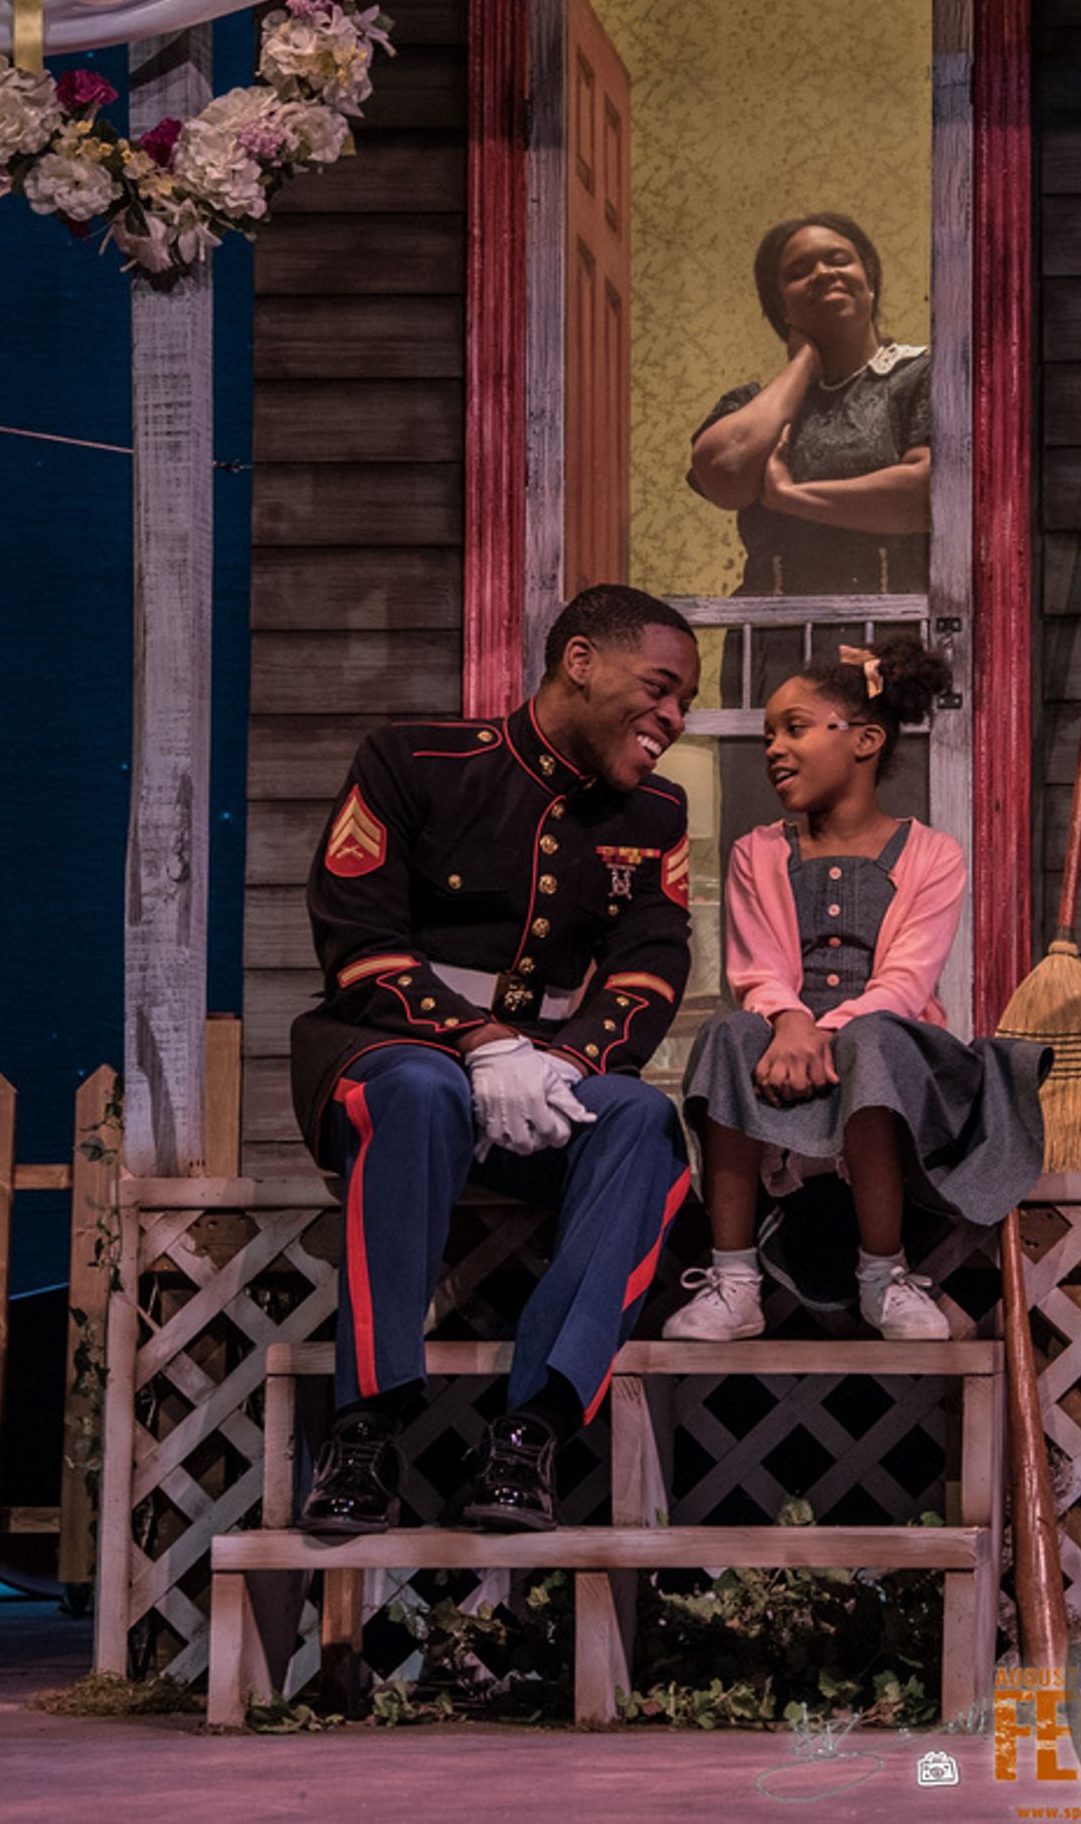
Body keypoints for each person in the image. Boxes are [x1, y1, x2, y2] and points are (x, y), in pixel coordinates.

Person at [290, 584, 701, 1535]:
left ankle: (532, 1431)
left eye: (683, 703)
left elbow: (649, 963)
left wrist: (571, 1061)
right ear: (580, 662)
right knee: (423, 1090)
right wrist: (479, 1041)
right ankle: (364, 1431)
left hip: (544, 1078)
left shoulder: (656, 815)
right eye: (660, 689)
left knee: (642, 1120)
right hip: (388, 1053)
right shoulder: (413, 762)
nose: (675, 719)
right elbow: (359, 944)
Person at [663, 636, 1047, 1344]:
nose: (775, 749)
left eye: (795, 728)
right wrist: (789, 1023)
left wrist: (823, 1033)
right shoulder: (758, 852)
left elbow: (904, 982)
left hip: (893, 1057)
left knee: (870, 1039)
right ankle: (734, 1280)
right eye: (769, 735)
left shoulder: (933, 854)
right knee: (727, 1032)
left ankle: (883, 1272)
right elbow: (757, 968)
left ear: (865, 740)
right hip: (784, 1046)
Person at [687, 211, 931, 709]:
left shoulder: (918, 376)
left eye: (838, 259)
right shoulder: (753, 403)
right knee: (772, 761)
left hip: (886, 645)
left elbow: (922, 496)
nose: (822, 273)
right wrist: (803, 364)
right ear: (779, 306)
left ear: (869, 279)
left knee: (874, 755)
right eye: (798, 272)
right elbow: (725, 475)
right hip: (771, 651)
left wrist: (789, 497)